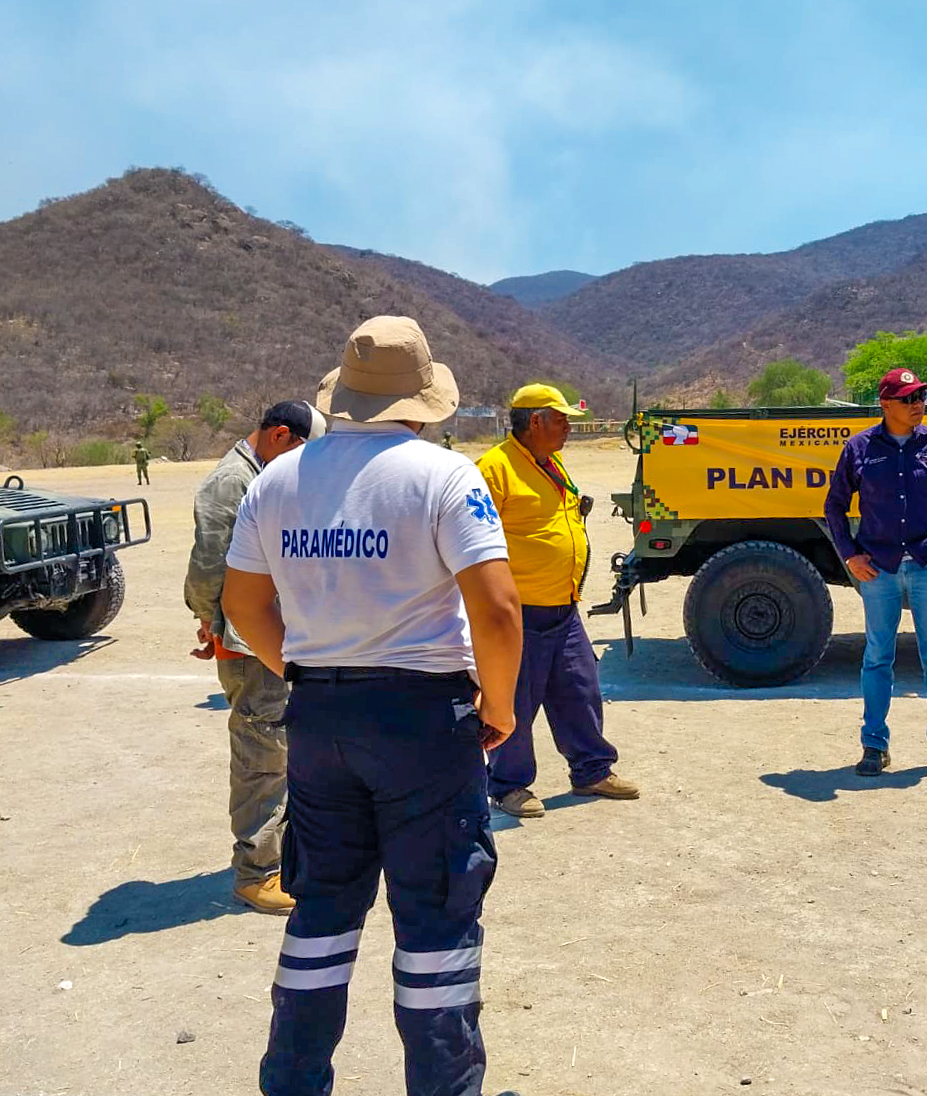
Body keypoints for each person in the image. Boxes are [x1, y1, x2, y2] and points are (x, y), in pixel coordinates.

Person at [221, 315, 524, 1095]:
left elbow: (242, 605)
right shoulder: (442, 475)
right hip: (423, 720)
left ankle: (292, 1080)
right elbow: (495, 611)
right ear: (421, 400)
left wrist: (304, 667)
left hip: (320, 720)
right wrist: (500, 705)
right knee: (434, 922)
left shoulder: (277, 479)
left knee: (321, 912)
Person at [184, 400, 327, 914]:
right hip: (250, 642)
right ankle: (256, 872)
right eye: (302, 451)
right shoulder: (232, 483)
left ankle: (278, 858)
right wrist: (209, 618)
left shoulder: (259, 474)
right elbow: (209, 567)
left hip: (267, 634)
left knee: (280, 750)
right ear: (279, 436)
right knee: (262, 756)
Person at [476, 384, 637, 818]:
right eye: (562, 419)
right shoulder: (494, 469)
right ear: (536, 421)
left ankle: (591, 770)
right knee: (515, 701)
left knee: (580, 689)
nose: (569, 427)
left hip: (563, 607)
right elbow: (472, 544)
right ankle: (509, 786)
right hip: (519, 612)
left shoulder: (553, 463)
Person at [824, 367, 927, 781]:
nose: (918, 406)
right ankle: (874, 745)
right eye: (909, 399)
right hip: (879, 570)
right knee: (878, 657)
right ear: (886, 404)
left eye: (921, 398)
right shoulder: (859, 449)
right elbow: (834, 506)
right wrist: (849, 555)